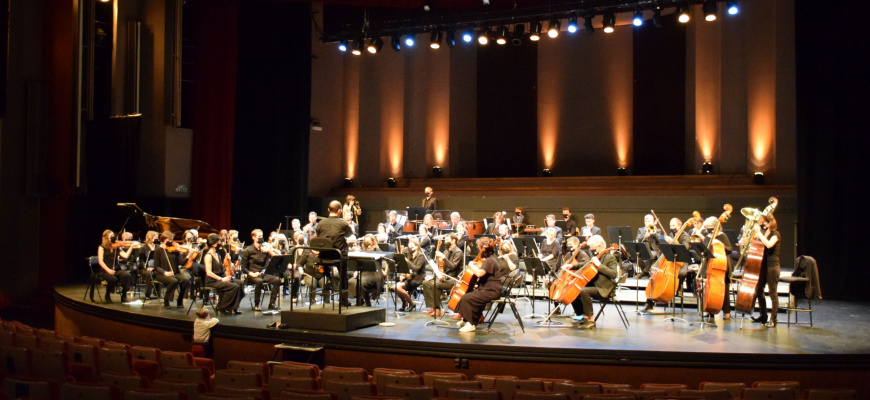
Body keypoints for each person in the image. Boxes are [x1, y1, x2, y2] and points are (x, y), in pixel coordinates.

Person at [642, 217, 692, 312]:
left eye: (673, 225)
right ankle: (649, 302)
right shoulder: (670, 235)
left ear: (679, 226)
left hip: (681, 262)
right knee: (655, 276)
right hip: (669, 261)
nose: (671, 227)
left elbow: (684, 249)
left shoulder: (685, 236)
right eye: (670, 225)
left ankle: (677, 288)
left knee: (679, 274)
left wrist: (672, 242)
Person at [568, 235, 618, 329]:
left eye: (592, 247)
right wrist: (572, 266)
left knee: (584, 291)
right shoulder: (596, 256)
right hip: (596, 284)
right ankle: (583, 316)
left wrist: (599, 265)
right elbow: (585, 264)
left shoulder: (610, 257)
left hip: (604, 288)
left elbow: (613, 274)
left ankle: (590, 320)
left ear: (599, 246)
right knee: (576, 288)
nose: (591, 249)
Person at [455, 240, 502, 333]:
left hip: (492, 291)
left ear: (482, 248)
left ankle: (471, 324)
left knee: (467, 298)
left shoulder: (490, 260)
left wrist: (471, 265)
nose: (478, 249)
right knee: (469, 295)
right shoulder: (490, 259)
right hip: (487, 288)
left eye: (478, 247)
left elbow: (480, 273)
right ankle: (466, 320)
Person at [315, 200, 354, 306]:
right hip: (338, 256)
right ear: (340, 211)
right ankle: (343, 300)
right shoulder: (343, 223)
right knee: (343, 275)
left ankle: (328, 280)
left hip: (323, 256)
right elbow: (349, 234)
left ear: (328, 210)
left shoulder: (321, 224)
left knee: (327, 268)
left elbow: (318, 237)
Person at [422, 233, 464, 316]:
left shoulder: (458, 252)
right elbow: (441, 267)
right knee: (425, 283)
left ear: (453, 241)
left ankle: (437, 309)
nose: (445, 242)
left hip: (454, 278)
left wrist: (444, 258)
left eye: (447, 240)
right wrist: (434, 276)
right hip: (444, 277)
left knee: (436, 284)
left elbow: (452, 267)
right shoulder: (446, 251)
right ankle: (433, 307)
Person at [751, 214, 780, 328]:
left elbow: (768, 245)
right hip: (763, 266)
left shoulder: (775, 234)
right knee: (758, 290)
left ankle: (773, 319)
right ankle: (763, 315)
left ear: (770, 223)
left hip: (772, 267)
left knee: (773, 293)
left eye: (764, 222)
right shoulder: (764, 234)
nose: (762, 224)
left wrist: (758, 233)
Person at [241, 229, 280, 311]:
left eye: (262, 236)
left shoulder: (265, 249)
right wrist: (251, 273)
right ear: (253, 238)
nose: (261, 238)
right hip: (252, 274)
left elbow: (267, 263)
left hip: (262, 273)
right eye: (259, 237)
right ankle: (257, 304)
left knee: (277, 280)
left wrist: (269, 251)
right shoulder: (248, 250)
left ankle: (272, 303)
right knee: (259, 281)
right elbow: (243, 268)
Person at [203, 234, 243, 315]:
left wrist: (227, 261)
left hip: (220, 277)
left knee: (240, 283)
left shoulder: (217, 255)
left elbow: (220, 269)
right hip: (212, 280)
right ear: (214, 244)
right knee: (233, 286)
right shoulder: (208, 256)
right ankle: (221, 306)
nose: (221, 244)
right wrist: (222, 279)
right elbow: (209, 272)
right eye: (219, 242)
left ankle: (234, 307)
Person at [153, 231, 191, 309]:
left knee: (186, 280)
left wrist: (188, 256)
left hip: (175, 273)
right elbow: (156, 266)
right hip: (161, 274)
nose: (171, 242)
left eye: (171, 240)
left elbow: (181, 262)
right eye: (168, 240)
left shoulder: (175, 250)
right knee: (173, 281)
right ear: (163, 240)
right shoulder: (158, 250)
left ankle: (179, 300)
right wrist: (165, 272)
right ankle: (166, 300)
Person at [348, 235, 388, 307]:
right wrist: (357, 271)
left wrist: (385, 271)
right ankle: (360, 300)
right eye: (365, 242)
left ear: (373, 242)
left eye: (369, 242)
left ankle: (367, 301)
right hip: (364, 272)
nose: (367, 243)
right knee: (351, 281)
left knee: (360, 282)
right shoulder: (362, 250)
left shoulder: (377, 249)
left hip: (375, 273)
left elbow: (386, 258)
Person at [97, 230, 135, 303]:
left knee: (127, 275)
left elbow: (125, 256)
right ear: (106, 238)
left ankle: (124, 295)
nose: (114, 237)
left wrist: (131, 247)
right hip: (105, 270)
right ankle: (107, 294)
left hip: (116, 269)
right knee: (113, 279)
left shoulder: (116, 246)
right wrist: (108, 270)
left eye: (113, 235)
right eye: (111, 236)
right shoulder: (101, 247)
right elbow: (100, 261)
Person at [395, 237, 426, 311]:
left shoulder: (421, 256)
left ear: (416, 247)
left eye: (411, 246)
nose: (410, 248)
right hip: (410, 277)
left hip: (418, 278)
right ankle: (404, 302)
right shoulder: (410, 255)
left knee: (398, 287)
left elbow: (417, 269)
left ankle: (411, 303)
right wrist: (403, 275)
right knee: (395, 287)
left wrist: (407, 261)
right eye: (409, 246)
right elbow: (406, 268)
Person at [635, 214, 664, 278]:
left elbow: (659, 239)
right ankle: (645, 272)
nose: (647, 223)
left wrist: (653, 233)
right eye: (646, 221)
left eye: (649, 221)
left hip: (655, 250)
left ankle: (643, 273)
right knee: (638, 258)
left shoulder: (657, 230)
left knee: (650, 255)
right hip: (644, 249)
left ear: (653, 222)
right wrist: (645, 236)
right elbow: (638, 239)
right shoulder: (641, 230)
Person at [137, 231, 160, 300]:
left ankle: (157, 293)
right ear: (150, 237)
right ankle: (147, 294)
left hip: (155, 267)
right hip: (144, 268)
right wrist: (146, 267)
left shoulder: (157, 247)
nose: (157, 239)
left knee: (159, 272)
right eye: (155, 237)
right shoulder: (143, 248)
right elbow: (141, 261)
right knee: (149, 273)